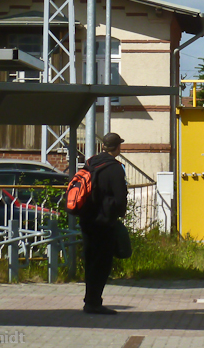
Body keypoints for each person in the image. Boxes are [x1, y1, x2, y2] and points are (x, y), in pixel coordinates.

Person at [80, 132, 128, 315]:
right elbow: (120, 197)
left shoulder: (91, 162)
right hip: (104, 222)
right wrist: (119, 214)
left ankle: (89, 299)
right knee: (102, 262)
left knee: (91, 260)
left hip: (86, 219)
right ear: (117, 147)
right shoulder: (115, 168)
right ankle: (94, 302)